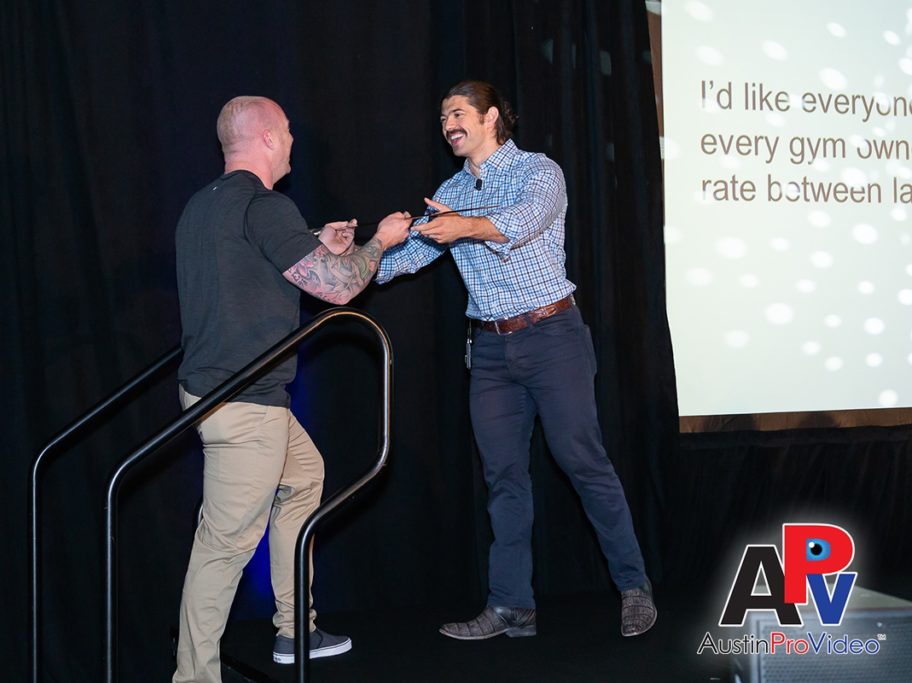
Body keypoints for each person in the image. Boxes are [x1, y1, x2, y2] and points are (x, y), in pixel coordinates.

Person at [375, 80, 656, 641]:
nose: (448, 124)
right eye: (443, 117)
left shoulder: (538, 172)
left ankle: (634, 588)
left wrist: (464, 225)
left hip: (552, 336)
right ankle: (511, 607)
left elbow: (522, 224)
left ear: (491, 117)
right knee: (503, 477)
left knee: (583, 461)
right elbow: (400, 263)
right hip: (492, 350)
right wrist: (358, 251)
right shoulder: (450, 189)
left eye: (458, 113)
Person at [173, 95, 410, 683]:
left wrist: (314, 241)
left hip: (225, 395)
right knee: (223, 548)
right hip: (244, 405)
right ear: (269, 138)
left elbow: (253, 262)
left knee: (304, 477)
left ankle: (294, 629)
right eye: (287, 133)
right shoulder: (265, 204)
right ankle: (193, 678)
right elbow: (339, 290)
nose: (294, 144)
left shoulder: (205, 206)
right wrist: (379, 242)